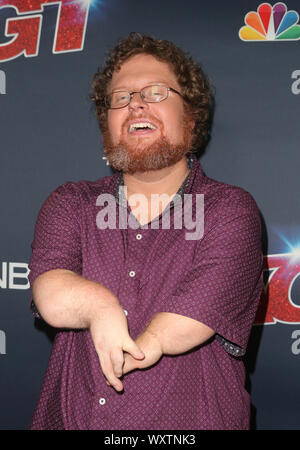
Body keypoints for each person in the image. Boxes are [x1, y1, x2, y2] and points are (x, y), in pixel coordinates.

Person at [28, 32, 263, 430]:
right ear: (108, 124)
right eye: (120, 97)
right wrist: (99, 306)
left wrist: (148, 342)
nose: (135, 103)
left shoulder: (230, 209)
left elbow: (194, 315)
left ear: (190, 119)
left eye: (155, 92)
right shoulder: (71, 202)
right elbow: (50, 291)